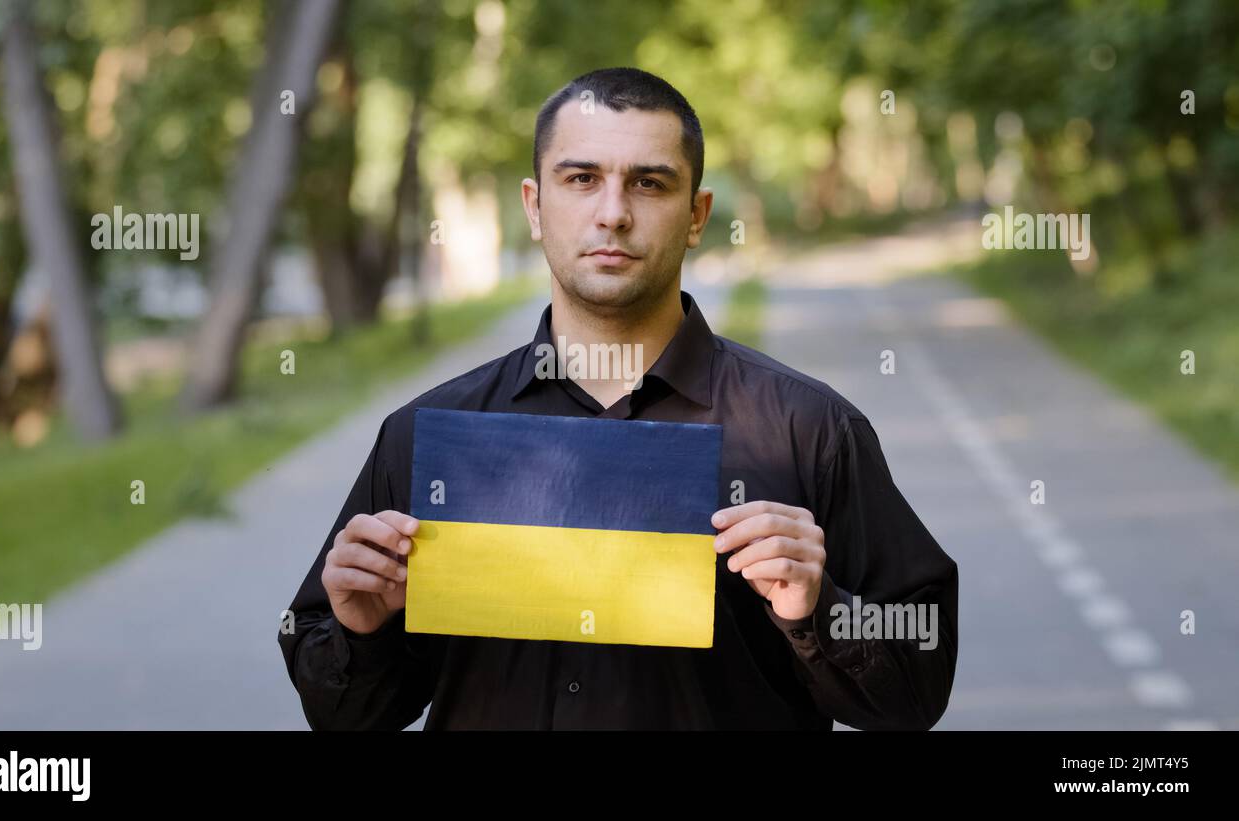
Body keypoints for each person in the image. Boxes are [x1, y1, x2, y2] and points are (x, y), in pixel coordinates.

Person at [278, 67, 958, 730]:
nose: (613, 213)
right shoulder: (427, 434)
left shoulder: (808, 430)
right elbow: (344, 713)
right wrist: (359, 630)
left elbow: (916, 692)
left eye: (648, 183)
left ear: (697, 215)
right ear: (534, 206)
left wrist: (820, 610)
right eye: (581, 179)